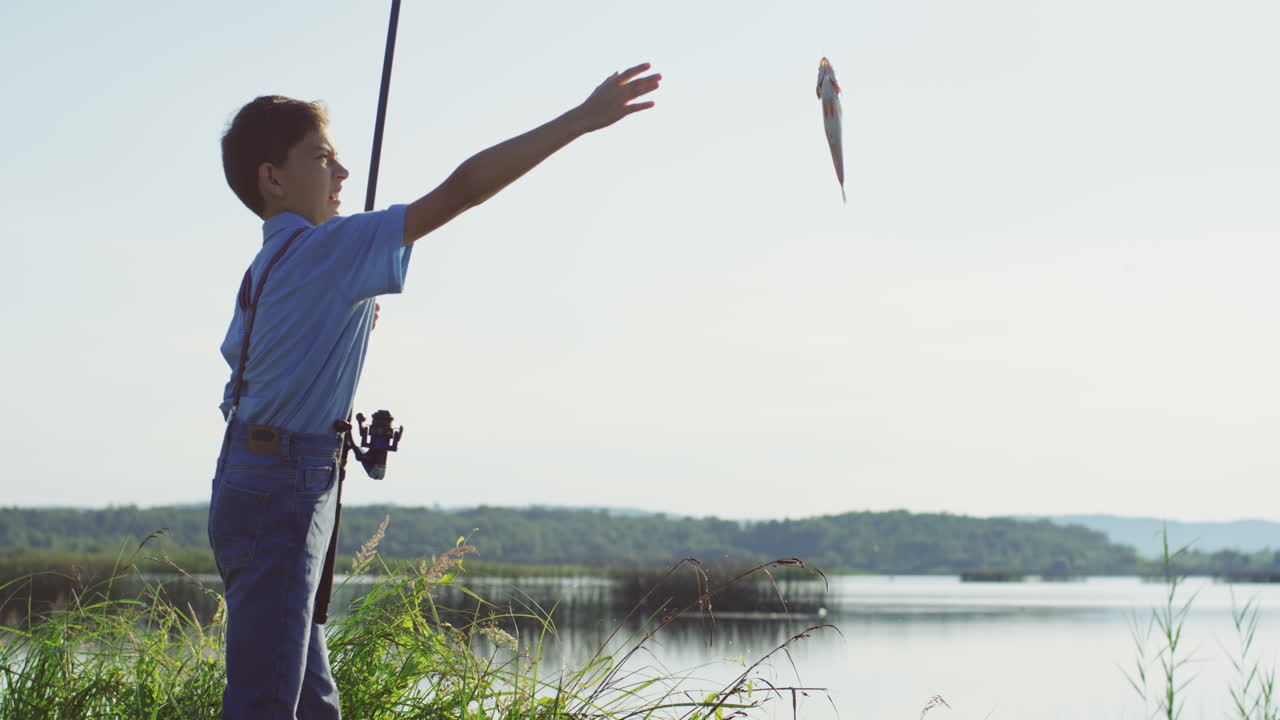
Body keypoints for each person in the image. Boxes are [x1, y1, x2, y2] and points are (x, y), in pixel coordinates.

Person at [208, 62, 661, 720]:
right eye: (323, 159)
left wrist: (341, 318)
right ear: (271, 178)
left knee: (311, 703)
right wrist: (580, 120)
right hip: (285, 493)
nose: (342, 175)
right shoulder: (327, 249)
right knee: (266, 706)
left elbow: (240, 385)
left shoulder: (266, 267)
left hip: (250, 481)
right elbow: (463, 191)